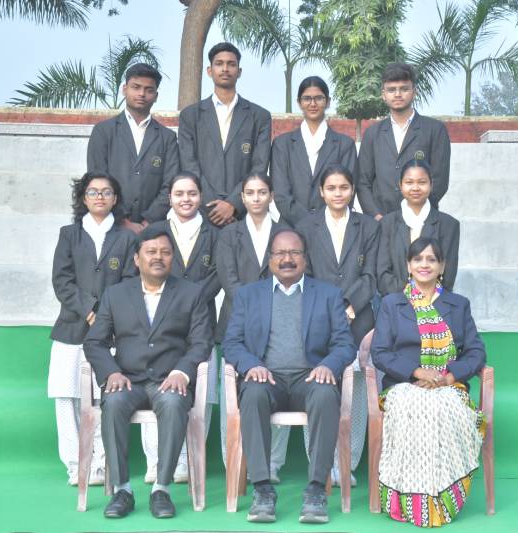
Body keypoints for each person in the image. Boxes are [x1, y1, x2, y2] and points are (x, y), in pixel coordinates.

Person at [223, 228, 356, 524]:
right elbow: (231, 343)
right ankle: (262, 489)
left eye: (294, 253)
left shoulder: (328, 294)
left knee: (325, 393)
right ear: (270, 259)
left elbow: (345, 344)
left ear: (305, 259)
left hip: (309, 379)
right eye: (280, 253)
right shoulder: (248, 295)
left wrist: (327, 366)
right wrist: (250, 365)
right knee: (253, 393)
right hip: (266, 379)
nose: (287, 259)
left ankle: (315, 490)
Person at [83, 226, 212, 519]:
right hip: (128, 379)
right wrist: (111, 373)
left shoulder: (192, 294)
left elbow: (201, 341)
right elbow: (94, 342)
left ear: (173, 259)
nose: (159, 257)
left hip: (169, 380)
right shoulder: (115, 294)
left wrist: (182, 371)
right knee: (113, 402)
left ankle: (162, 489)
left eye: (165, 252)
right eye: (151, 252)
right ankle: (122, 490)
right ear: (136, 259)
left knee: (173, 401)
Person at [371, 237, 486, 527]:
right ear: (408, 266)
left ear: (442, 266)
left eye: (431, 259)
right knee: (420, 406)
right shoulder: (392, 303)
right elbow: (380, 352)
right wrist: (418, 373)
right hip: (404, 384)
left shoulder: (458, 305)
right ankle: (412, 501)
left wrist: (447, 377)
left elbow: (476, 352)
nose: (424, 264)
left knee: (441, 407)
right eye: (418, 259)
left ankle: (441, 497)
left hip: (448, 385)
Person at [49, 172, 138, 486]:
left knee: (104, 400)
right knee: (67, 397)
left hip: (112, 333)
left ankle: (100, 464)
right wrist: (88, 309)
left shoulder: (127, 239)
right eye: (93, 191)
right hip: (71, 329)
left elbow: (131, 282)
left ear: (115, 198)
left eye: (107, 192)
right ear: (83, 198)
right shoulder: (68, 234)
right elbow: (62, 281)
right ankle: (76, 464)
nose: (100, 197)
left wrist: (105, 316)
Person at [295, 165, 379, 486]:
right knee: (317, 386)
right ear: (321, 191)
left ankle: (348, 462)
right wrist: (332, 307)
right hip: (318, 317)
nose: (338, 193)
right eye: (331, 188)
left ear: (352, 189)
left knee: (355, 390)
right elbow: (306, 273)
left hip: (359, 319)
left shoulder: (368, 227)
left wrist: (351, 304)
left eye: (344, 187)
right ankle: (320, 461)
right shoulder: (306, 226)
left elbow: (371, 274)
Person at [141, 172, 221, 484]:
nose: (185, 199)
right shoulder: (156, 231)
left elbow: (219, 273)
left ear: (201, 196)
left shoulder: (215, 233)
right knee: (156, 386)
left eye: (191, 193)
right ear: (170, 198)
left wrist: (193, 297)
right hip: (160, 318)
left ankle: (189, 459)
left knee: (202, 389)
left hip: (203, 315)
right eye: (179, 193)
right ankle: (155, 460)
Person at [215, 173, 289, 477]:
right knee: (231, 394)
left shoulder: (285, 232)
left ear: (271, 195)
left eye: (262, 192)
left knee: (277, 383)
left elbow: (288, 273)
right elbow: (227, 278)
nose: (256, 198)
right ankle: (232, 458)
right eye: (249, 193)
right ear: (241, 198)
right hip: (236, 318)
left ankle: (272, 463)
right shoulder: (229, 235)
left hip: (280, 321)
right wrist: (253, 308)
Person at [178, 42, 272, 227]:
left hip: (243, 215)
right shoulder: (191, 116)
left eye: (231, 64)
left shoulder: (259, 116)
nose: (225, 69)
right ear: (209, 70)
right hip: (201, 213)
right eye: (219, 63)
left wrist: (233, 203)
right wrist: (212, 204)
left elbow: (259, 166)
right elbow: (189, 163)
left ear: (239, 71)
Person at [87, 63, 178, 233]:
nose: (142, 94)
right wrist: (123, 221)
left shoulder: (168, 138)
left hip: (153, 230)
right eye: (136, 87)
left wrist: (148, 222)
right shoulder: (104, 131)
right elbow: (96, 178)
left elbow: (170, 184)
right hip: (110, 225)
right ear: (124, 89)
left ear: (156, 95)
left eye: (149, 90)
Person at [358, 62, 451, 219]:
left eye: (404, 88)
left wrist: (416, 213)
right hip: (381, 223)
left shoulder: (435, 130)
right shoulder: (372, 134)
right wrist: (375, 215)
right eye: (391, 90)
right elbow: (362, 182)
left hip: (422, 220)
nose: (397, 94)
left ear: (414, 92)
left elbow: (439, 180)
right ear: (383, 94)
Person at [271, 76, 358, 226]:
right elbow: (281, 194)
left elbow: (347, 190)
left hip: (333, 227)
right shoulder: (282, 144)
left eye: (319, 98)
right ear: (299, 102)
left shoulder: (345, 145)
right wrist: (310, 224)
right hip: (291, 229)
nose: (312, 104)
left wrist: (322, 224)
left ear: (328, 101)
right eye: (307, 98)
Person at [377, 159, 459, 295]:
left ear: (431, 185)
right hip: (395, 305)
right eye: (409, 182)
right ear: (400, 185)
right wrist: (408, 299)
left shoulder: (448, 225)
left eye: (422, 182)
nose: (415, 188)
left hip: (434, 307)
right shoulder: (387, 223)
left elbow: (448, 275)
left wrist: (424, 302)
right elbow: (382, 273)